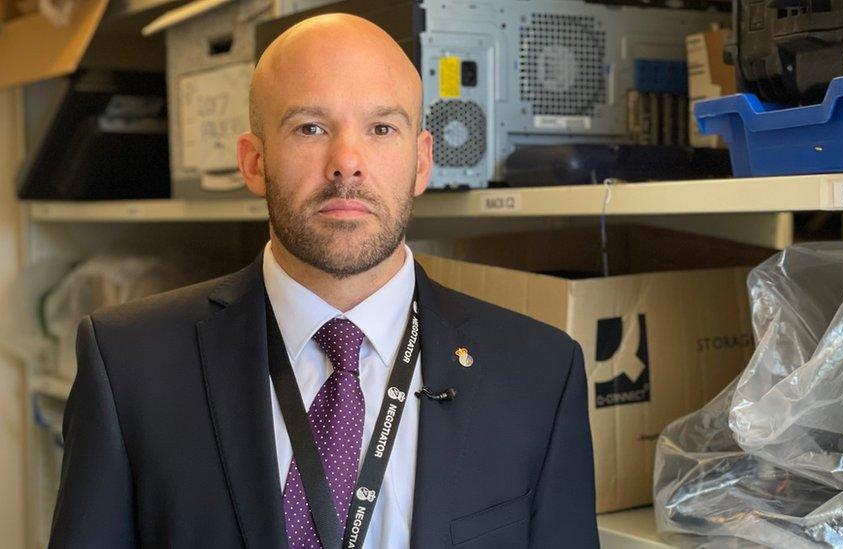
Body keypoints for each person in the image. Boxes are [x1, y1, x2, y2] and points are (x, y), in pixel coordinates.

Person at [49, 13, 597, 549]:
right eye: (310, 127)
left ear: (422, 162)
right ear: (254, 162)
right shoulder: (127, 366)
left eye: (382, 128)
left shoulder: (541, 374)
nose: (347, 162)